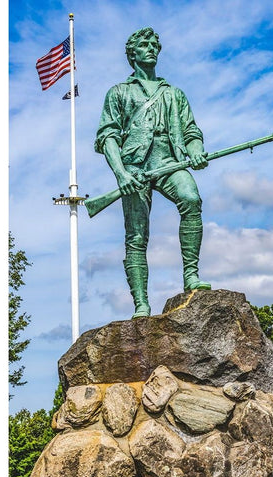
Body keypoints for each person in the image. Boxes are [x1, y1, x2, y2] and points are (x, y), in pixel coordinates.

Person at [94, 27, 211, 319]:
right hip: (134, 168)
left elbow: (191, 130)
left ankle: (191, 276)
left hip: (168, 161)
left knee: (191, 199)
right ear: (132, 54)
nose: (151, 48)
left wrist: (195, 149)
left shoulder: (174, 93)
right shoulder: (119, 92)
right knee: (136, 236)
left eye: (154, 44)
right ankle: (141, 304)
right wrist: (121, 174)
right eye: (144, 44)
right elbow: (107, 137)